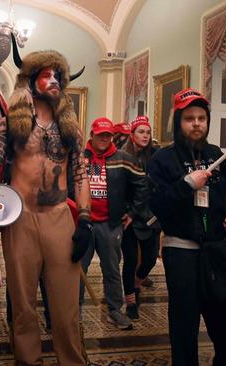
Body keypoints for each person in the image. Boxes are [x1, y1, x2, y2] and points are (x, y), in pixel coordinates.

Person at [0, 47, 91, 365]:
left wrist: (85, 220)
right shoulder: (10, 122)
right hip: (20, 218)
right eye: (45, 74)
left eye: (57, 75)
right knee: (23, 306)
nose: (53, 80)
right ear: (31, 80)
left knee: (66, 308)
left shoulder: (70, 128)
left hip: (60, 218)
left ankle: (72, 361)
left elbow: (81, 173)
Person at [149, 88, 226, 366]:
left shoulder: (216, 155)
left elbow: (224, 195)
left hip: (217, 252)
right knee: (184, 321)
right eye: (189, 118)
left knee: (224, 318)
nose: (196, 123)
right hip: (182, 252)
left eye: (201, 118)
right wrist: (187, 184)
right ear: (178, 122)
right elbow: (158, 205)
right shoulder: (162, 159)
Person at [80, 117, 149, 330]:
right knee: (78, 270)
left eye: (108, 135)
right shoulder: (80, 157)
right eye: (100, 135)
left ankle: (114, 311)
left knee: (111, 268)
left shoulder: (124, 158)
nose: (104, 138)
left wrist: (132, 213)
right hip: (83, 223)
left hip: (111, 224)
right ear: (92, 135)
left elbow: (142, 185)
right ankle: (75, 312)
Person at [120, 115, 161, 320]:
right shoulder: (123, 155)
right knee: (130, 260)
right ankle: (131, 302)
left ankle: (137, 284)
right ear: (132, 134)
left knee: (150, 260)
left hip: (152, 215)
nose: (145, 136)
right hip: (129, 216)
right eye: (141, 132)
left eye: (148, 132)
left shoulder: (156, 155)